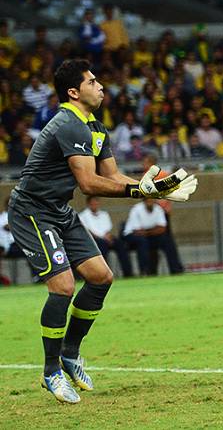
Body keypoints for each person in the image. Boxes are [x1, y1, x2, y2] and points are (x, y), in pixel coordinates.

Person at [7, 59, 198, 403]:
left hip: (59, 210)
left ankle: (70, 353)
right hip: (32, 211)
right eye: (93, 82)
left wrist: (158, 188)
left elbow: (113, 177)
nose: (100, 86)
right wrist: (139, 191)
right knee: (63, 286)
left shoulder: (95, 127)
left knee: (100, 276)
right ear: (73, 91)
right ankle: (51, 371)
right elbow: (89, 184)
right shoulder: (67, 124)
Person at [118, 198, 184, 276]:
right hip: (131, 235)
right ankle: (145, 271)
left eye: (152, 200)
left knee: (167, 241)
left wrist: (148, 232)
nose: (150, 202)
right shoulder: (136, 209)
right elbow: (137, 231)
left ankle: (175, 269)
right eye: (148, 200)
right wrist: (154, 230)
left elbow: (162, 228)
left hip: (149, 235)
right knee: (142, 241)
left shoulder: (158, 209)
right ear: (144, 201)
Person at [77, 197, 115, 272]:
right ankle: (104, 271)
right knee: (102, 244)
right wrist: (103, 238)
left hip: (106, 238)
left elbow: (108, 229)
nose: (95, 205)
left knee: (120, 244)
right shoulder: (82, 215)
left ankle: (128, 272)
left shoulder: (104, 214)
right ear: (88, 204)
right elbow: (87, 231)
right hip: (93, 239)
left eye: (96, 203)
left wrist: (108, 236)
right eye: (93, 203)